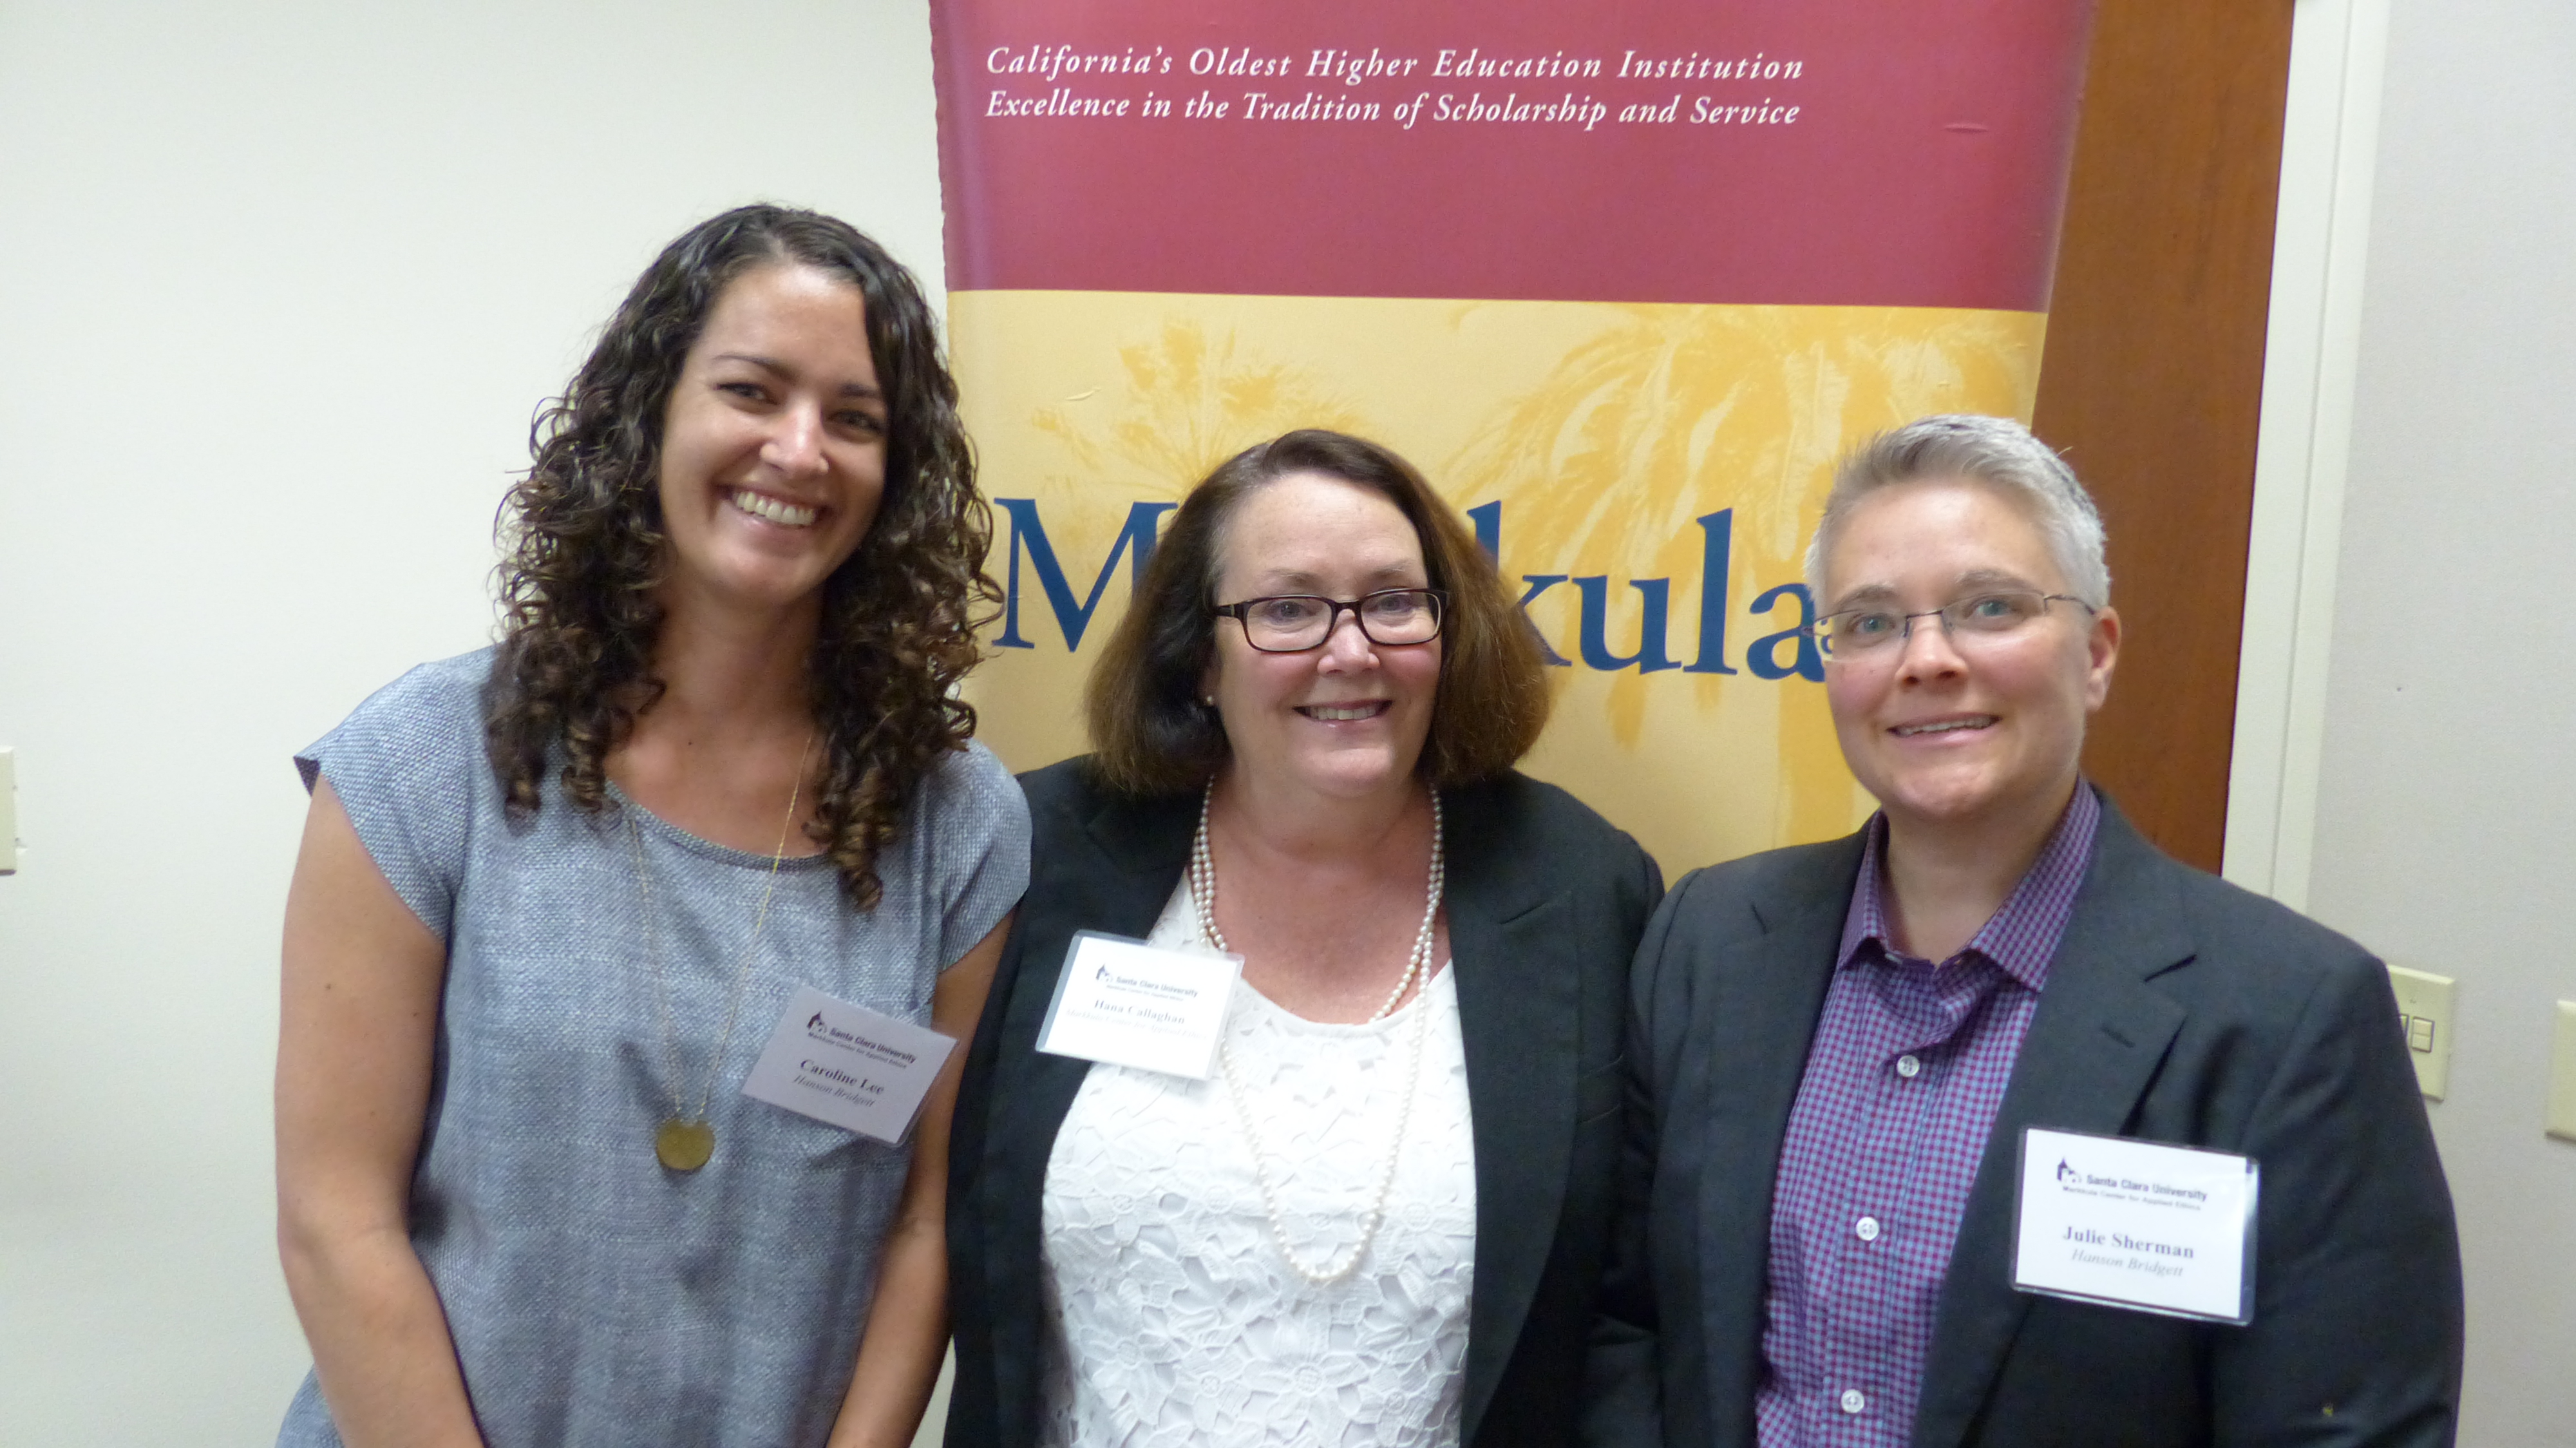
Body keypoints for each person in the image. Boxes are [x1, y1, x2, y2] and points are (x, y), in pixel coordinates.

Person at [273, 204, 1028, 1448]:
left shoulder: (956, 824)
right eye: (752, 390)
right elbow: (335, 1218)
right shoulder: (427, 760)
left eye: (854, 418)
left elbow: (925, 1229)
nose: (799, 451)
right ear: (650, 417)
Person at [1586, 415, 2463, 1447]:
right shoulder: (1713, 941)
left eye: (1989, 608)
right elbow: (1622, 1323)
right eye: (1871, 623)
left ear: (2095, 655)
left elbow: (2344, 1429)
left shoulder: (2289, 1015)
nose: (1926, 660)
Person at [944, 429, 1664, 1447]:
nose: (1352, 649)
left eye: (1392, 601)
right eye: (1286, 608)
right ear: (1198, 657)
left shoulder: (1584, 888)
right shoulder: (1043, 853)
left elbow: (1620, 1312)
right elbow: (917, 1206)